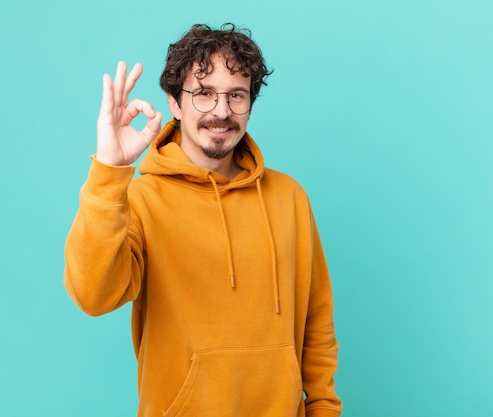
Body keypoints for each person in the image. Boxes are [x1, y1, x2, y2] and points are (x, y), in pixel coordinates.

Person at [64, 23, 342, 417]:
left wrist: (324, 411)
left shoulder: (289, 197)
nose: (221, 111)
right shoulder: (141, 200)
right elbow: (92, 296)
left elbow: (318, 325)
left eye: (236, 96)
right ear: (175, 104)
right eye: (204, 94)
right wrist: (109, 171)